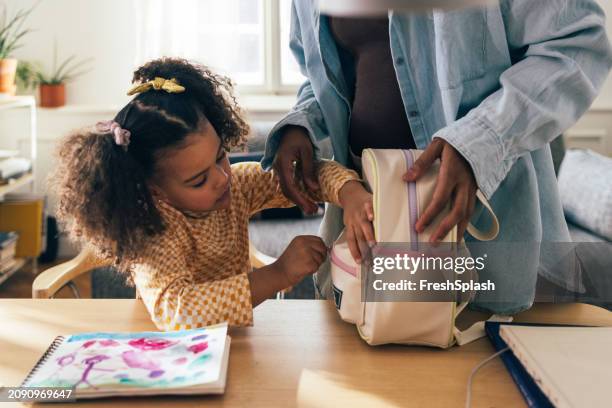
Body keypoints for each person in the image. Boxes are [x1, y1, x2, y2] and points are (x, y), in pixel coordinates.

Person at [263, 1, 612, 314]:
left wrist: (479, 140)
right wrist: (303, 124)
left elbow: (579, 44)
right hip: (369, 235)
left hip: (485, 234)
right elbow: (323, 78)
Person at [51, 58, 374, 331]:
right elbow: (179, 310)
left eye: (220, 156)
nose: (222, 179)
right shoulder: (152, 232)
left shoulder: (235, 185)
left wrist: (348, 191)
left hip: (234, 344)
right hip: (169, 357)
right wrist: (278, 273)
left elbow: (307, 175)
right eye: (198, 180)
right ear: (155, 190)